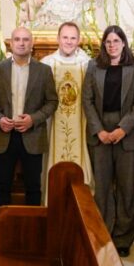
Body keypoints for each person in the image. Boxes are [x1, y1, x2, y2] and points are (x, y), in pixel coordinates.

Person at [81, 25, 134, 257]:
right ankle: (103, 232)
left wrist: (122, 129)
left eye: (116, 41)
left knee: (126, 187)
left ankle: (123, 237)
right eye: (108, 42)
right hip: (100, 131)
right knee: (102, 187)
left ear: (123, 43)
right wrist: (99, 130)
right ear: (104, 44)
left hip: (127, 133)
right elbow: (87, 101)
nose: (112, 45)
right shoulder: (93, 66)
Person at [0, 26, 58, 208]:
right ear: (11, 43)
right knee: (2, 186)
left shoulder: (43, 70)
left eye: (26, 39)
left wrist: (33, 119)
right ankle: (2, 232)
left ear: (31, 44)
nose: (21, 43)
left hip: (32, 135)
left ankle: (33, 232)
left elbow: (52, 101)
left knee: (33, 187)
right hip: (5, 135)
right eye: (17, 39)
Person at [41, 21, 94, 190]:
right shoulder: (47, 63)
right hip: (52, 123)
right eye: (65, 37)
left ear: (79, 40)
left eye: (73, 38)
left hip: (81, 123)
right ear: (58, 38)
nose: (69, 41)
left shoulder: (87, 64)